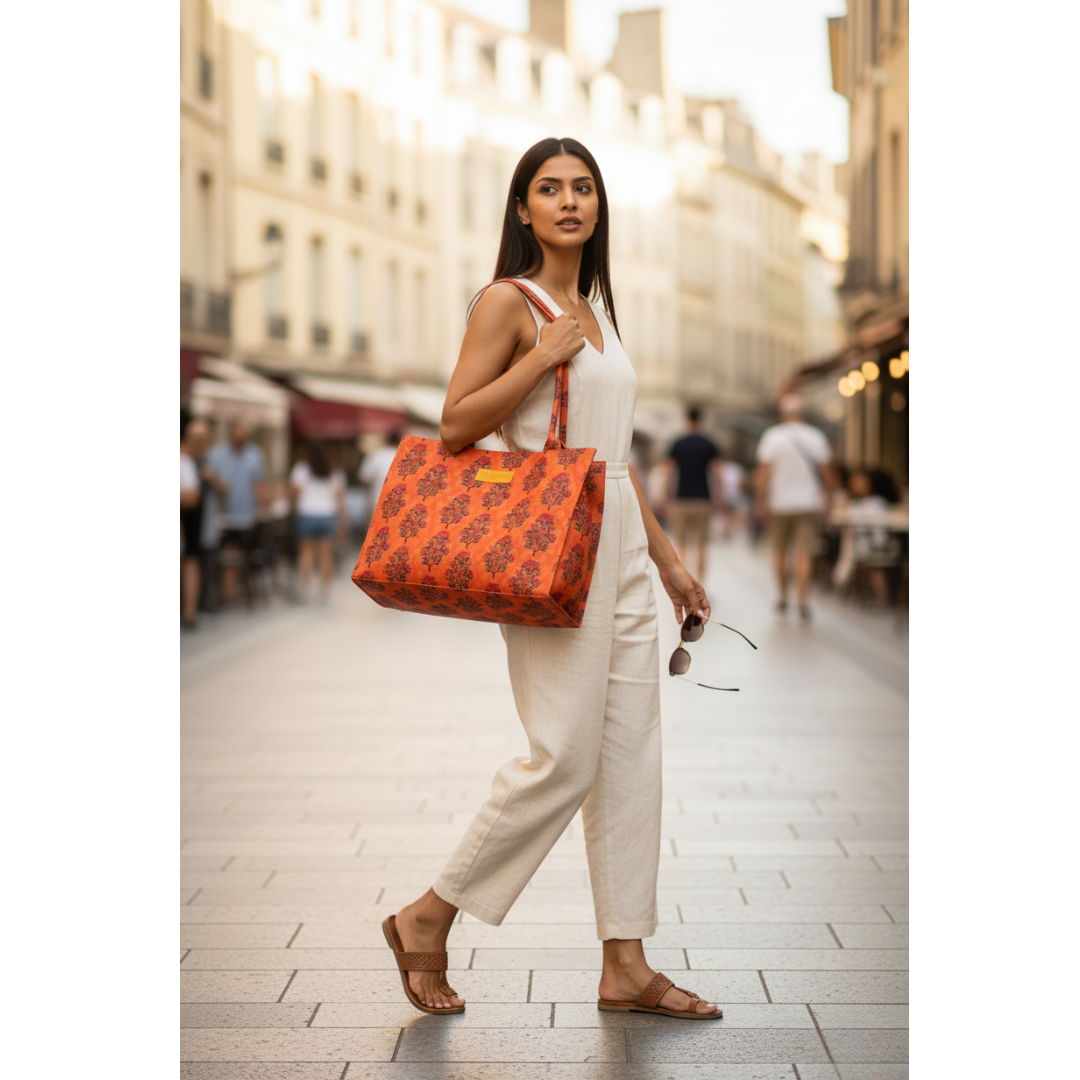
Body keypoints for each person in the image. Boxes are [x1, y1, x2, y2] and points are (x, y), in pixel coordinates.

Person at [386, 137, 721, 1019]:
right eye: (549, 188)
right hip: (548, 550)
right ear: (523, 209)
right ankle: (429, 913)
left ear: (599, 207)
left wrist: (670, 561)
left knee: (628, 757)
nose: (569, 201)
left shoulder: (596, 311)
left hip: (616, 542)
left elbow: (610, 461)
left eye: (583, 187)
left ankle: (626, 964)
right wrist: (539, 357)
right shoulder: (510, 301)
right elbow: (456, 424)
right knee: (565, 756)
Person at [754, 394, 832, 621]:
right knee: (804, 553)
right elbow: (826, 472)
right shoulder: (816, 437)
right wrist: (830, 496)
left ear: (783, 414)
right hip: (808, 503)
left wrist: (760, 501)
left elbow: (764, 473)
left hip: (779, 504)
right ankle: (803, 602)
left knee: (779, 551)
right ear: (803, 413)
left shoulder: (773, 437)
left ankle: (782, 597)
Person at [206, 422, 267, 602]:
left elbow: (259, 484)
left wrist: (261, 505)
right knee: (229, 554)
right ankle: (228, 592)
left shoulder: (254, 455)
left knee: (244, 555)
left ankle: (239, 590)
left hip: (247, 516)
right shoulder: (218, 455)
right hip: (225, 516)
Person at [665, 408, 723, 577]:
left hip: (681, 499)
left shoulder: (678, 443)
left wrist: (667, 496)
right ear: (702, 419)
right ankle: (700, 583)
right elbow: (717, 473)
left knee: (681, 544)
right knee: (701, 545)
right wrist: (719, 497)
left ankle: (683, 582)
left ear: (686, 419)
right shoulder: (709, 444)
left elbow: (669, 472)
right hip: (703, 500)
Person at [290, 443, 345, 600]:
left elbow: (296, 493)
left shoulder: (301, 469)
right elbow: (339, 496)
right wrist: (341, 517)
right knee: (326, 555)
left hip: (307, 513)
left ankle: (304, 587)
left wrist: (294, 511)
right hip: (327, 514)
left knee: (306, 552)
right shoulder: (333, 470)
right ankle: (325, 589)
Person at [179, 419, 212, 628]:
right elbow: (191, 496)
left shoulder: (197, 462)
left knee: (191, 562)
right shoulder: (186, 462)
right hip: (187, 523)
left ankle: (190, 613)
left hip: (191, 525)